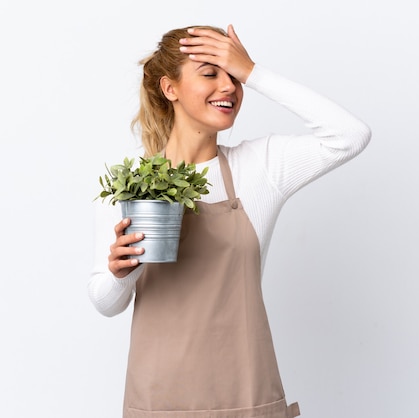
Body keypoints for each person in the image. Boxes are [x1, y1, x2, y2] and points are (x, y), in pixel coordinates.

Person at [88, 24, 371, 418]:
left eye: (233, 76)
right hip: (160, 402)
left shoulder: (261, 168)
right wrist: (122, 272)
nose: (229, 87)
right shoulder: (133, 182)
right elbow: (104, 302)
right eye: (210, 73)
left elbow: (351, 135)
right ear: (170, 88)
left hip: (248, 398)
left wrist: (254, 72)